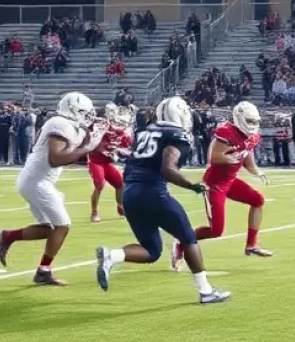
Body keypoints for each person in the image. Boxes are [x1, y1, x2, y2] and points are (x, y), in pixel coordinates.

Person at [95, 96, 231, 304]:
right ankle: (206, 291)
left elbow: (131, 166)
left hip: (131, 193)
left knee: (152, 250)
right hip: (153, 192)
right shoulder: (177, 136)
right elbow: (167, 168)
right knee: (188, 238)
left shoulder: (144, 132)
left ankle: (111, 256)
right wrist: (191, 185)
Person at [0, 92, 102, 286]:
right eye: (84, 112)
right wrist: (88, 148)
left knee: (49, 229)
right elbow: (55, 159)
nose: (88, 116)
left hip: (38, 180)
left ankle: (7, 236)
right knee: (63, 226)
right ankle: (43, 272)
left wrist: (90, 140)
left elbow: (65, 152)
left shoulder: (68, 125)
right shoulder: (60, 123)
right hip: (37, 181)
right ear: (74, 110)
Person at [185, 100, 272, 264]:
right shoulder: (227, 132)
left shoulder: (253, 136)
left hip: (230, 181)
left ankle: (252, 244)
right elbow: (214, 157)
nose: (252, 125)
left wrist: (256, 171)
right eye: (250, 121)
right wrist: (232, 157)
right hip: (214, 184)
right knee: (216, 230)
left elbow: (247, 157)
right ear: (239, 118)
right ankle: (182, 241)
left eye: (255, 121)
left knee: (258, 200)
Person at [89, 103, 132, 222]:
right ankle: (94, 212)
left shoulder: (123, 134)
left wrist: (120, 151)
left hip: (107, 163)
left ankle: (120, 206)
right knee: (99, 184)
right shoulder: (102, 126)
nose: (122, 125)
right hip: (96, 161)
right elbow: (95, 141)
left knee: (120, 183)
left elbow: (126, 148)